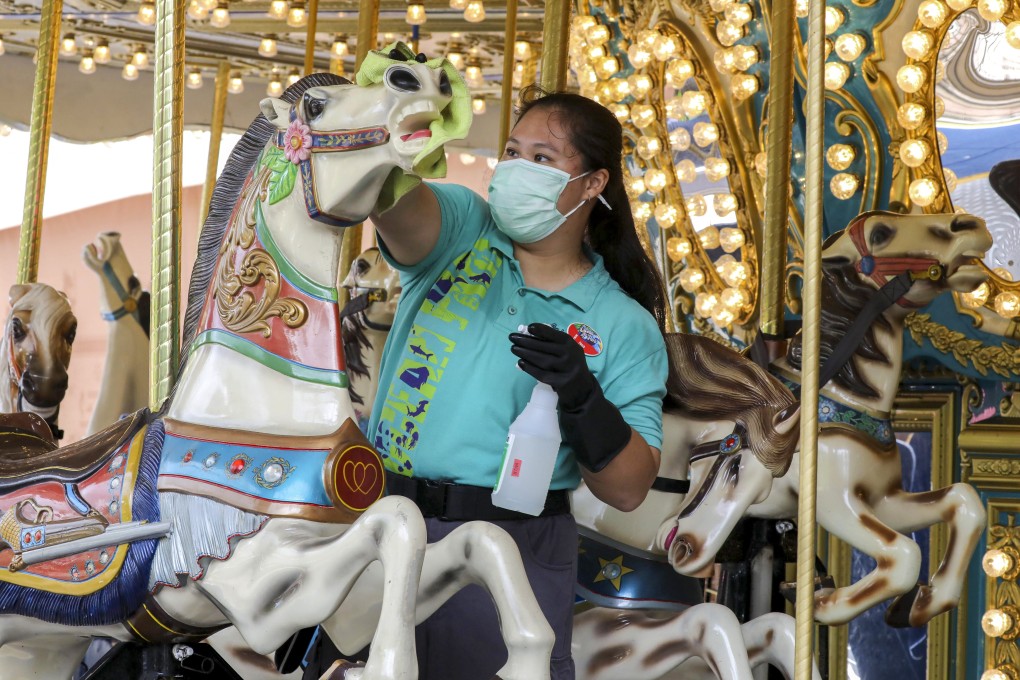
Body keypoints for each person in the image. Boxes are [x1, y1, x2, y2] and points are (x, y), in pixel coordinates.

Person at [363, 85, 669, 680]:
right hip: (383, 522)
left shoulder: (619, 322)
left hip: (509, 543)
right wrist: (394, 123)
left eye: (543, 159)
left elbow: (630, 488)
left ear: (592, 184)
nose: (515, 169)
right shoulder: (462, 230)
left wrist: (584, 399)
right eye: (512, 151)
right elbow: (391, 203)